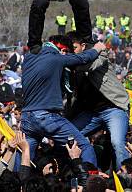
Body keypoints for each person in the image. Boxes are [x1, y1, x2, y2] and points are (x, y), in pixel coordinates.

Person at [19, 34, 106, 166]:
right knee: (84, 146)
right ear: (63, 50)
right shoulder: (57, 58)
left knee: (24, 155)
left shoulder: (29, 57)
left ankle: (15, 184)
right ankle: (91, 183)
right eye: (66, 52)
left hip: (26, 118)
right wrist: (97, 48)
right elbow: (83, 58)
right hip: (46, 117)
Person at [67, 31, 130, 169]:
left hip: (114, 108)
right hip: (92, 113)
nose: (71, 52)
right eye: (69, 50)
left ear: (83, 46)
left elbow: (88, 66)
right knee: (69, 136)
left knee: (117, 143)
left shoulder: (99, 53)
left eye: (74, 48)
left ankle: (126, 179)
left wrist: (64, 64)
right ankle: (89, 173)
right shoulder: (70, 65)